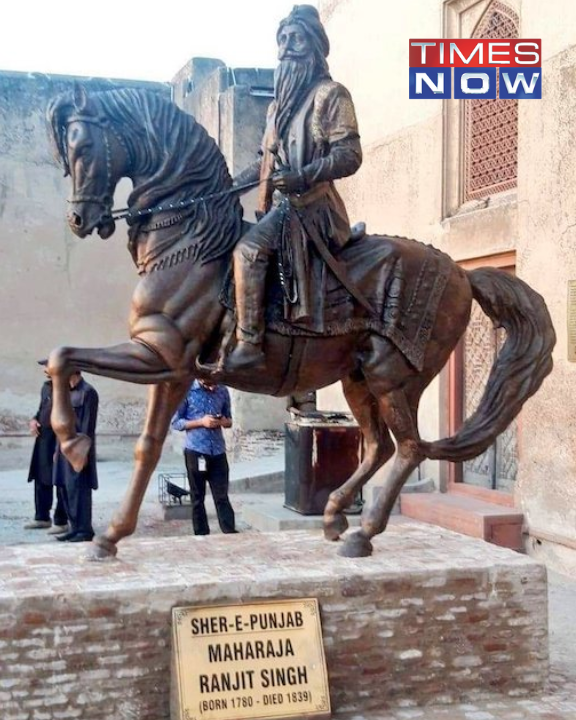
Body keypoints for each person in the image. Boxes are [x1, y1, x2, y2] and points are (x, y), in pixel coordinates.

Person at [220, 4, 363, 373]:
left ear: (314, 46)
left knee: (249, 251)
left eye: (296, 38)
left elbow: (349, 155)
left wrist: (304, 175)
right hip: (280, 206)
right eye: (282, 39)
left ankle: (250, 345)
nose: (287, 46)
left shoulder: (330, 95)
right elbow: (264, 161)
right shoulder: (276, 109)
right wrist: (229, 187)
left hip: (312, 206)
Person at [170, 379, 238, 535]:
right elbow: (176, 423)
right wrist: (202, 422)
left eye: (215, 384)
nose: (213, 387)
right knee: (197, 496)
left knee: (222, 495)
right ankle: (201, 533)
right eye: (209, 384)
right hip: (196, 450)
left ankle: (229, 530)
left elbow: (229, 421)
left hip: (218, 451)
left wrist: (222, 421)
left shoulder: (222, 390)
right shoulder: (186, 390)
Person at [53, 371, 99, 543]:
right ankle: (74, 528)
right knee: (66, 488)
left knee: (80, 489)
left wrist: (82, 452)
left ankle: (84, 530)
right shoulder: (65, 392)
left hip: (78, 448)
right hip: (63, 447)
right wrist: (57, 450)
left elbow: (88, 426)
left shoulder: (88, 392)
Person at [25, 372, 68, 536]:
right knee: (41, 476)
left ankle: (61, 520)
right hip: (44, 438)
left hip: (59, 438)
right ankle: (42, 517)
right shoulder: (46, 387)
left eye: (48, 366)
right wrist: (34, 419)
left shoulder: (67, 388)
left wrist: (63, 444)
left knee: (61, 479)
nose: (45, 369)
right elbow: (41, 409)